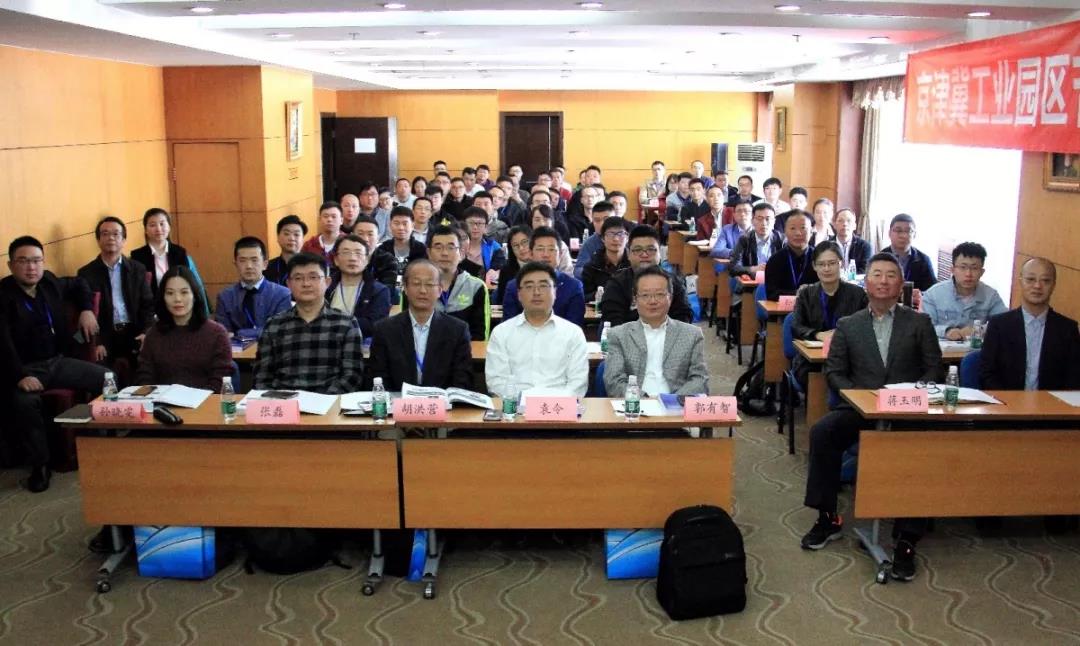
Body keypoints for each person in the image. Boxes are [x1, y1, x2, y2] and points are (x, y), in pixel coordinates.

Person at [800, 252, 941, 582]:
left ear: (900, 284)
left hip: (906, 410)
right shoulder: (848, 325)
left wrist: (912, 393)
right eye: (876, 274)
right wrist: (860, 398)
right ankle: (827, 516)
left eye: (891, 275)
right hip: (860, 408)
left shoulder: (919, 322)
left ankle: (907, 538)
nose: (883, 281)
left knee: (924, 446)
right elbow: (834, 372)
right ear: (866, 282)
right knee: (823, 432)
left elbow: (934, 368)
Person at [2, 236, 106, 492]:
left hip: (57, 362)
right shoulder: (3, 295)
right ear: (10, 265)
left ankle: (100, 442)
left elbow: (80, 283)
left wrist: (86, 309)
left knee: (108, 379)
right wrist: (19, 376)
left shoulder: (48, 282)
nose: (31, 267)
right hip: (24, 369)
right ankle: (41, 465)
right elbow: (2, 344)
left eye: (36, 260)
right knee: (25, 404)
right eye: (23, 261)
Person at [253, 253, 363, 394]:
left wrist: (324, 401)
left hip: (331, 402)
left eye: (313, 277)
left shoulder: (346, 324)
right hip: (284, 403)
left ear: (327, 282)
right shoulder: (274, 325)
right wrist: (282, 400)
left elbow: (352, 376)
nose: (306, 284)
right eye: (298, 278)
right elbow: (262, 378)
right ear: (289, 284)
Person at [485, 261, 589, 398]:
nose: (536, 292)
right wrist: (523, 403)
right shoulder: (501, 333)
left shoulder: (573, 333)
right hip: (514, 407)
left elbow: (578, 384)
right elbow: (496, 382)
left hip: (560, 408)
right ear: (519, 294)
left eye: (543, 286)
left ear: (555, 292)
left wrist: (551, 405)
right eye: (529, 287)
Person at [604, 265, 709, 398]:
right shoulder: (618, 335)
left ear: (670, 298)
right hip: (635, 405)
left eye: (659, 294)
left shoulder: (692, 334)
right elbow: (613, 381)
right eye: (645, 295)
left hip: (677, 405)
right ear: (635, 300)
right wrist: (644, 400)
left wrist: (672, 401)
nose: (652, 301)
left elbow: (700, 379)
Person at [368, 260, 473, 391]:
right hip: (398, 401)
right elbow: (379, 378)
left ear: (439, 290)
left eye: (429, 284)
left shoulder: (457, 330)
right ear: (405, 288)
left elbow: (462, 381)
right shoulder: (384, 330)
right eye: (416, 283)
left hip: (442, 402)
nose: (423, 290)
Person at [980, 257, 1080, 391]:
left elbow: (1074, 377)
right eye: (1031, 279)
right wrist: (1010, 400)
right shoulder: (999, 325)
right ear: (1020, 281)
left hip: (1052, 402)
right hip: (1006, 401)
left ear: (1053, 285)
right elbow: (986, 374)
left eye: (1045, 280)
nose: (1037, 286)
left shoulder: (1067, 329)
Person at [136, 265, 232, 392]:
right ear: (163, 297)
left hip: (204, 402)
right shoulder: (153, 335)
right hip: (161, 402)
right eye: (170, 293)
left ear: (195, 295)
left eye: (184, 292)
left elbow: (220, 382)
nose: (177, 299)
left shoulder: (217, 334)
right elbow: (145, 379)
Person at [77, 216, 154, 371]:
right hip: (105, 335)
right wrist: (97, 342)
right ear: (98, 240)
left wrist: (146, 333)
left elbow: (148, 305)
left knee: (148, 369)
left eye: (116, 234)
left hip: (133, 332)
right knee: (102, 373)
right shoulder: (86, 273)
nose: (111, 238)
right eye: (105, 234)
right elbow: (87, 311)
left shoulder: (137, 269)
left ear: (124, 240)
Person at [790, 242, 869, 386]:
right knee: (815, 376)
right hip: (811, 361)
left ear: (841, 264)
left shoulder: (858, 294)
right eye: (821, 264)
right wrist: (817, 335)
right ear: (814, 266)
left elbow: (866, 327)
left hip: (849, 358)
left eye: (832, 263)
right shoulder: (806, 294)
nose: (826, 269)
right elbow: (795, 326)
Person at [600, 225, 693, 326]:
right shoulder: (616, 284)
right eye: (637, 250)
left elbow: (683, 319)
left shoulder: (675, 282)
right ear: (629, 254)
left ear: (660, 253)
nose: (644, 255)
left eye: (651, 249)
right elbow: (612, 322)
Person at [501, 226, 585, 326]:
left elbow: (574, 328)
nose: (546, 255)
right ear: (531, 254)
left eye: (551, 249)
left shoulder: (573, 287)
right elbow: (509, 326)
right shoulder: (514, 286)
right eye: (540, 249)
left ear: (560, 254)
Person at [922, 242, 1007, 340]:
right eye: (963, 267)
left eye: (974, 268)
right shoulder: (933, 294)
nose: (968, 274)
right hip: (942, 349)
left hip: (977, 348)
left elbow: (1004, 324)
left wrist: (979, 330)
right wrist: (946, 331)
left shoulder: (991, 295)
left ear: (982, 272)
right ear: (952, 270)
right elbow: (924, 328)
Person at [130, 207, 209, 312]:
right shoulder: (137, 256)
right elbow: (136, 291)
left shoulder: (180, 252)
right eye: (152, 225)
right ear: (146, 230)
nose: (158, 229)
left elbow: (190, 284)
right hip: (151, 311)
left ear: (169, 227)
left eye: (162, 224)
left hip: (179, 307)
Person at [214, 237, 292, 341]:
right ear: (236, 264)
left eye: (254, 260)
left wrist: (240, 333)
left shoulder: (282, 294)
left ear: (265, 264)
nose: (249, 266)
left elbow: (280, 330)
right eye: (242, 261)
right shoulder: (225, 297)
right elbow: (223, 335)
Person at [423, 225, 490, 340]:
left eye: (451, 247)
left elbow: (480, 337)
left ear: (461, 253)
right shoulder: (415, 286)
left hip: (465, 350)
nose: (445, 253)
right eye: (438, 247)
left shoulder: (476, 287)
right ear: (428, 253)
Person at [326, 235, 392, 340]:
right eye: (346, 253)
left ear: (367, 260)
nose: (352, 258)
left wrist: (334, 324)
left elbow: (374, 325)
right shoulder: (325, 287)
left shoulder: (379, 291)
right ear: (336, 260)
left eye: (358, 253)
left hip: (361, 345)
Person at [764, 210, 818, 301]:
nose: (798, 233)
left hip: (813, 308)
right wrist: (798, 294)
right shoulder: (775, 260)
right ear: (785, 232)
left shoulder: (819, 258)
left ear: (811, 232)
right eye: (792, 228)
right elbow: (772, 294)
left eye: (803, 228)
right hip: (782, 309)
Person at [880, 213, 936, 292]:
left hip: (913, 299)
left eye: (908, 231)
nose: (903, 235)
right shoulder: (880, 258)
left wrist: (920, 294)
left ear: (914, 234)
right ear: (889, 233)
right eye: (898, 230)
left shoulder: (923, 260)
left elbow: (932, 291)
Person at [581, 217, 630, 302]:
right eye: (610, 234)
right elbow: (583, 296)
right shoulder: (592, 267)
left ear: (628, 238)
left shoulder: (635, 264)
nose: (616, 239)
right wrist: (598, 295)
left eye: (621, 234)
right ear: (603, 238)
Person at [729, 203, 783, 280]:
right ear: (752, 221)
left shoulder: (782, 240)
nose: (764, 223)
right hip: (751, 281)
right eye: (759, 219)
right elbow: (733, 268)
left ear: (774, 221)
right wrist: (753, 269)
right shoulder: (744, 240)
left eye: (768, 219)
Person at [377, 205, 428, 280]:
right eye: (396, 223)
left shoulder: (421, 249)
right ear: (390, 225)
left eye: (405, 224)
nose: (401, 228)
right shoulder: (382, 249)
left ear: (412, 225)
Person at [353, 215, 399, 297]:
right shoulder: (344, 258)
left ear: (377, 238)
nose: (365, 239)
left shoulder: (387, 260)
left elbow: (387, 291)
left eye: (370, 234)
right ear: (352, 236)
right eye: (360, 234)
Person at [573, 200, 618, 279]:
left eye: (606, 219)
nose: (602, 224)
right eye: (597, 220)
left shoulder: (625, 239)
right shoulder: (589, 243)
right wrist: (594, 272)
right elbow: (578, 270)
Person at [461, 206, 506, 283]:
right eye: (471, 223)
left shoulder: (494, 247)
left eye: (479, 223)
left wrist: (496, 273)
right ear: (464, 225)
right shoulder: (456, 245)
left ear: (486, 226)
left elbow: (500, 268)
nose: (475, 227)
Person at [529, 205, 574, 275]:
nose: (541, 223)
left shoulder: (561, 245)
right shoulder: (525, 243)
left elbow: (567, 272)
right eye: (537, 220)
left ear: (552, 222)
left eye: (545, 219)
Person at [495, 225, 532, 306]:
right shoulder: (506, 271)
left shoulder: (543, 264)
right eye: (516, 245)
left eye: (524, 242)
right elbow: (501, 301)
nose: (521, 248)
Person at [265, 214, 307, 285]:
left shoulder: (312, 266)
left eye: (296, 234)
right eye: (286, 234)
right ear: (278, 238)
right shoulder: (267, 268)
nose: (291, 238)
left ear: (303, 239)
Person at [830, 208, 872, 274]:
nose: (845, 224)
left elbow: (865, 271)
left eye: (849, 221)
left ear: (855, 226)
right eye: (840, 221)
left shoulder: (864, 246)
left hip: (855, 280)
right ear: (834, 225)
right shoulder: (826, 245)